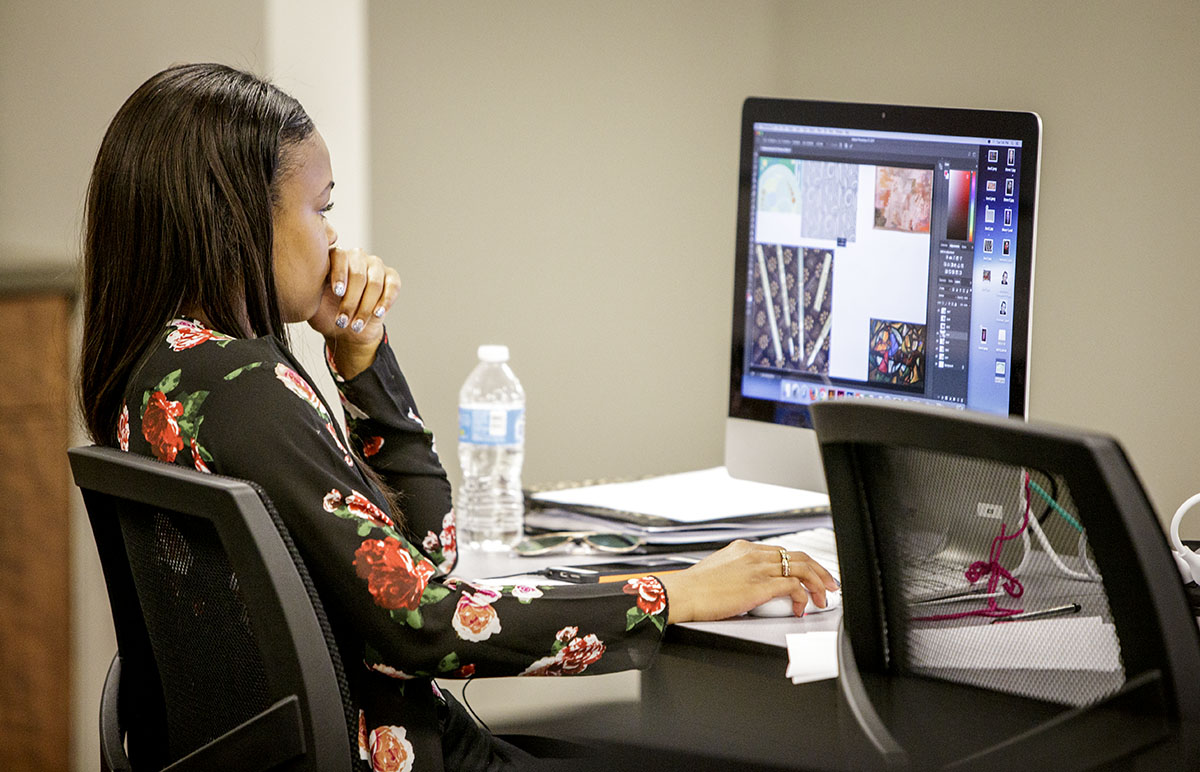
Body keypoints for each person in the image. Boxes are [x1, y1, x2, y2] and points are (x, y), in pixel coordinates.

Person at [79, 63, 838, 772]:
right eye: (322, 208)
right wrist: (676, 592)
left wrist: (362, 355)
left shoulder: (158, 375)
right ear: (235, 220)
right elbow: (427, 621)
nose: (336, 238)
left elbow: (421, 552)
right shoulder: (247, 387)